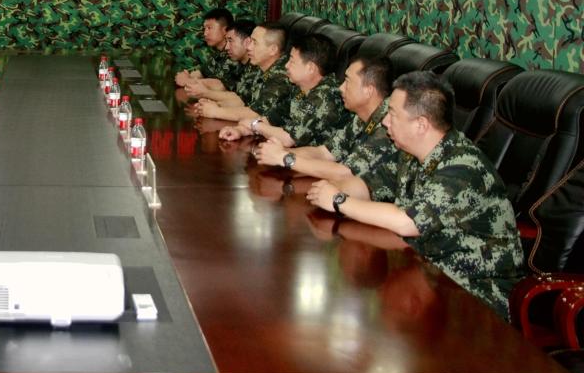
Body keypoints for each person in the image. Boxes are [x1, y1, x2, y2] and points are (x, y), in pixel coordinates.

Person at [306, 71, 523, 319]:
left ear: (420, 124)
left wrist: (338, 201)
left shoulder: (462, 168)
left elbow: (408, 221)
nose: (385, 121)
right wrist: (330, 188)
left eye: (393, 114)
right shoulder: (411, 154)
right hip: (428, 271)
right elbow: (369, 185)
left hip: (477, 292)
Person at [254, 56, 399, 183]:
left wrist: (285, 158)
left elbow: (346, 173)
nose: (341, 88)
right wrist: (278, 152)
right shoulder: (361, 117)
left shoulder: (388, 124)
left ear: (368, 90)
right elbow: (325, 152)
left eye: (347, 81)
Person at [220, 34, 346, 147]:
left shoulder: (325, 95)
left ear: (310, 68)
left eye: (292, 61)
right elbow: (273, 118)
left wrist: (254, 125)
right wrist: (241, 130)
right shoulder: (300, 88)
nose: (286, 65)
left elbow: (289, 138)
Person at [195, 23, 295, 124]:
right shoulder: (261, 67)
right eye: (250, 41)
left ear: (272, 50)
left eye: (255, 42)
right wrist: (215, 105)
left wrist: (216, 111)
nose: (249, 47)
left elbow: (257, 114)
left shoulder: (282, 74)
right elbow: (243, 101)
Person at [183, 19, 257, 99]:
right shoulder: (238, 63)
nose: (226, 47)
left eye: (230, 41)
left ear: (247, 42)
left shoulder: (257, 68)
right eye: (226, 41)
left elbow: (239, 100)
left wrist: (205, 92)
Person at [174, 8, 240, 89]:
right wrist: (186, 76)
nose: (205, 33)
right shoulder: (218, 54)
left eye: (209, 28)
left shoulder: (234, 54)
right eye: (204, 29)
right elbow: (202, 73)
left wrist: (188, 81)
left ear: (225, 30)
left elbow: (222, 86)